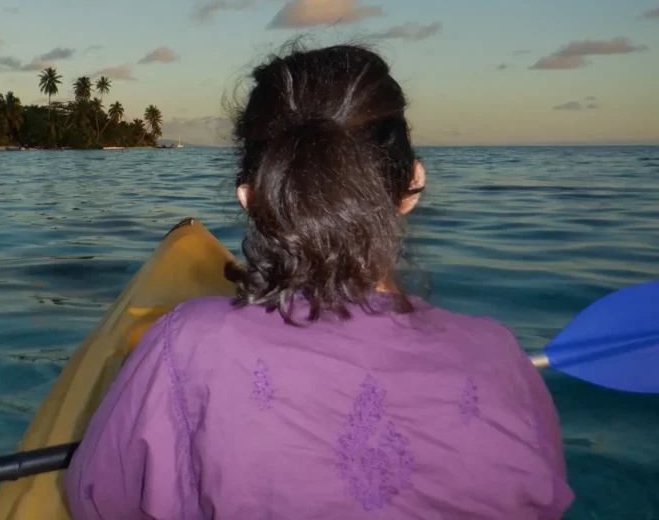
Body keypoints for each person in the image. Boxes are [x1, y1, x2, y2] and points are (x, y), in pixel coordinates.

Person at [64, 43, 574, 519]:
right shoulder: (499, 353)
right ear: (412, 182)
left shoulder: (188, 344)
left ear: (250, 197)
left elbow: (96, 500)